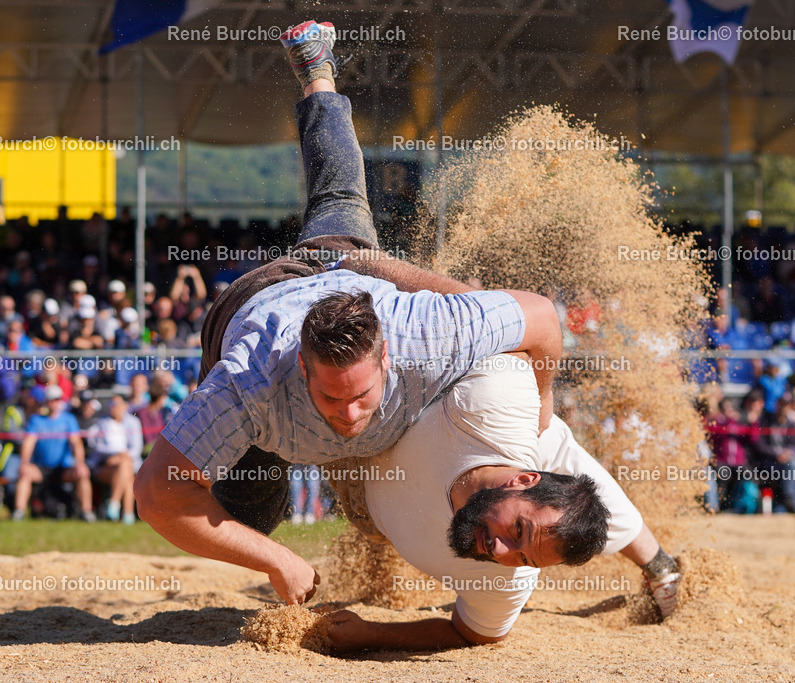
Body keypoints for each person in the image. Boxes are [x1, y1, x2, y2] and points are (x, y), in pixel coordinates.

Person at [134, 21, 563, 605]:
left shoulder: (429, 335)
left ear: (387, 357)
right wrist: (275, 558)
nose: (349, 413)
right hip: (256, 300)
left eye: (360, 395)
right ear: (302, 371)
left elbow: (541, 316)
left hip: (347, 267)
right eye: (331, 399)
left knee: (343, 200)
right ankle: (271, 531)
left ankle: (319, 74)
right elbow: (161, 496)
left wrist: (544, 401)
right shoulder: (247, 383)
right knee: (253, 514)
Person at [319, 356, 681, 652]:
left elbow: (474, 633)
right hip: (432, 418)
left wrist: (372, 634)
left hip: (366, 494)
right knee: (564, 462)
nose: (500, 547)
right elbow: (527, 321)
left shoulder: (508, 580)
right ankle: (661, 566)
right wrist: (545, 394)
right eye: (518, 530)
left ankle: (659, 568)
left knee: (581, 515)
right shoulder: (499, 407)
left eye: (523, 556)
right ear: (524, 478)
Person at [12, 385, 95, 521]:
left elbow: (76, 444)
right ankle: (19, 511)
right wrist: (24, 464)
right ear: (46, 401)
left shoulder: (69, 419)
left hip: (63, 467)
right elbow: (28, 444)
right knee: (25, 473)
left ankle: (87, 512)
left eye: (57, 399)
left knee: (82, 474)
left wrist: (80, 464)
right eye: (51, 400)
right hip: (41, 467)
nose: (54, 403)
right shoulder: (36, 420)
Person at [88, 393, 143, 524]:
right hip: (107, 464)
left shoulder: (133, 422)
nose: (113, 408)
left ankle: (114, 503)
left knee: (126, 468)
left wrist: (120, 457)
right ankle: (127, 514)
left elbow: (136, 449)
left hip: (127, 463)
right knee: (127, 473)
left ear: (125, 406)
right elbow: (98, 446)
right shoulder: (102, 423)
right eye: (110, 405)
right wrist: (117, 455)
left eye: (115, 405)